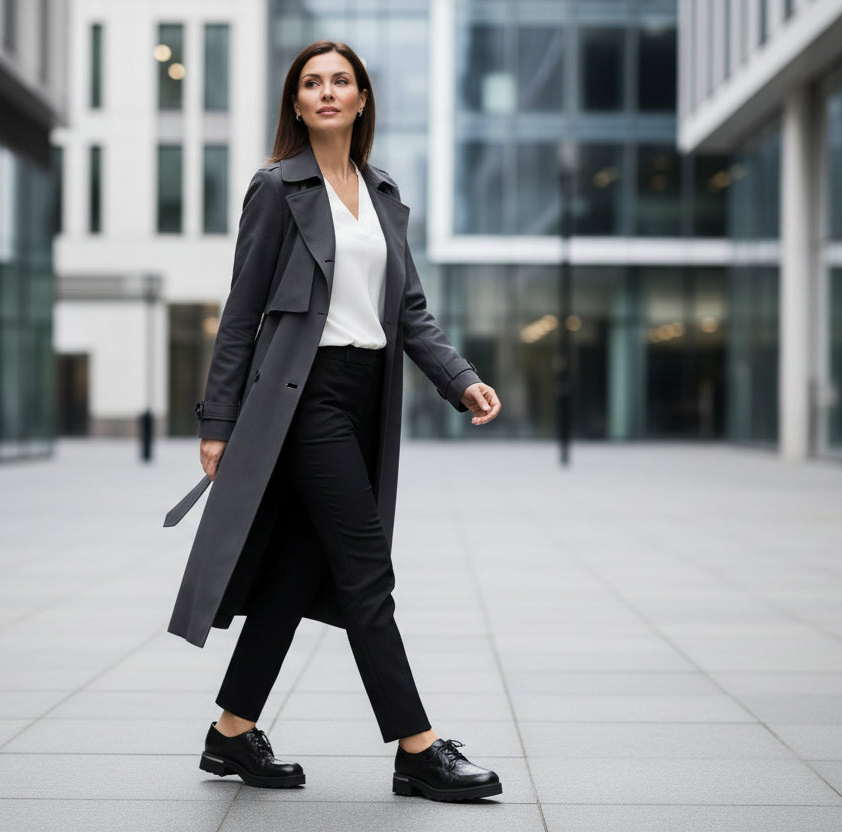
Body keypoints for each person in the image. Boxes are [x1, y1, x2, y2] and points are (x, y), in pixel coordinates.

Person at [164, 40, 503, 802]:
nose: (325, 92)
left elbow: (408, 311)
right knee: (364, 573)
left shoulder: (382, 192)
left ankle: (229, 737)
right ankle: (417, 748)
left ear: (359, 100)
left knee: (294, 573)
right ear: (296, 103)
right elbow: (240, 314)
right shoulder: (276, 190)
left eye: (339, 81)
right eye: (311, 82)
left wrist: (463, 379)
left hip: (365, 395)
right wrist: (218, 421)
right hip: (302, 397)